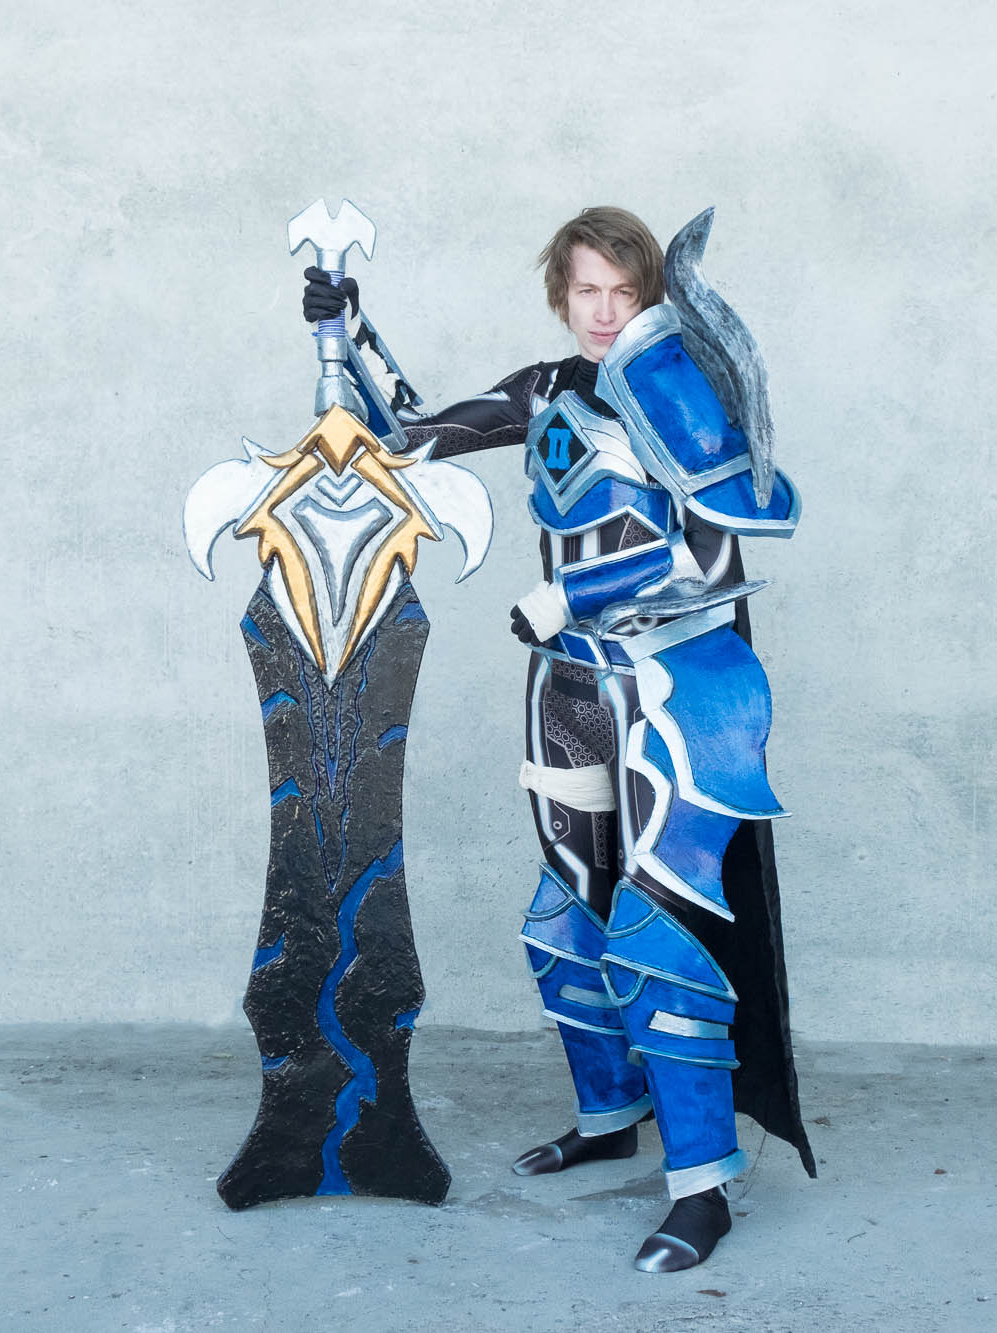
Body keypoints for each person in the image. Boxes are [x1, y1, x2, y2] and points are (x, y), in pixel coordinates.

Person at [302, 206, 813, 1272]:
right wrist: (341, 332)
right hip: (569, 683)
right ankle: (609, 1115)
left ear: (649, 294)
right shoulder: (546, 388)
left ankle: (702, 1188)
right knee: (563, 924)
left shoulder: (676, 389)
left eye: (623, 291)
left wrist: (572, 592)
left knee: (654, 935)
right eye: (586, 289)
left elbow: (720, 553)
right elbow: (407, 438)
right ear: (561, 293)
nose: (603, 310)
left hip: (676, 686)